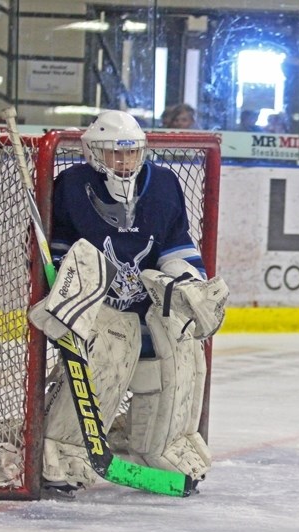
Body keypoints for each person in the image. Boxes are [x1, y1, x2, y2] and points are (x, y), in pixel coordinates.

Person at [29, 110, 229, 499]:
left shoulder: (165, 185)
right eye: (114, 154)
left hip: (148, 305)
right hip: (97, 310)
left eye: (131, 153)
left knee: (183, 346)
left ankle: (160, 447)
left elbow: (175, 244)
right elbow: (64, 253)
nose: (124, 163)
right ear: (93, 153)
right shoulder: (71, 186)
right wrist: (69, 288)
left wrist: (186, 282)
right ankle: (64, 449)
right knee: (110, 346)